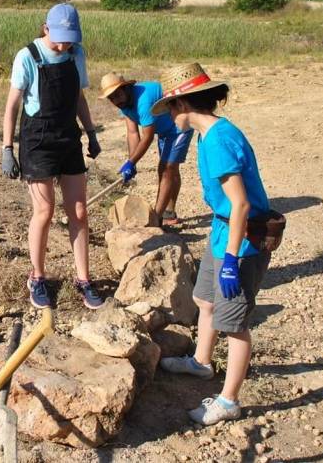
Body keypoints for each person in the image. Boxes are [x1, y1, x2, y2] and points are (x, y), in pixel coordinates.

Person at [153, 63, 272, 426]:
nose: (169, 117)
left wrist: (233, 259)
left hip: (241, 239)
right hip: (222, 232)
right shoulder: (209, 135)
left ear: (184, 105)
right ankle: (202, 364)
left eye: (171, 108)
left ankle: (228, 400)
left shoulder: (219, 141)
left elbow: (241, 204)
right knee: (205, 299)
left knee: (234, 323)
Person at [1, 3, 104, 310]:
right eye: (59, 38)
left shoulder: (76, 54)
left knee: (80, 212)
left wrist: (92, 133)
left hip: (67, 137)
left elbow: (79, 98)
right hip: (38, 141)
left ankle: (83, 279)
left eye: (69, 38)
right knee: (44, 211)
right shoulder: (28, 57)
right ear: (46, 29)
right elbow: (12, 107)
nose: (63, 45)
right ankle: (37, 277)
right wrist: (7, 148)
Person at [99, 72, 194, 226]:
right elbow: (132, 132)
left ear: (126, 88)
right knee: (169, 169)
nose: (115, 101)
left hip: (179, 126)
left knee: (167, 168)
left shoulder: (143, 100)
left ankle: (157, 218)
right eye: (111, 98)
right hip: (164, 129)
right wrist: (132, 162)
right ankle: (169, 213)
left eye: (117, 95)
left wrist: (131, 161)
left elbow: (147, 137)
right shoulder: (124, 103)